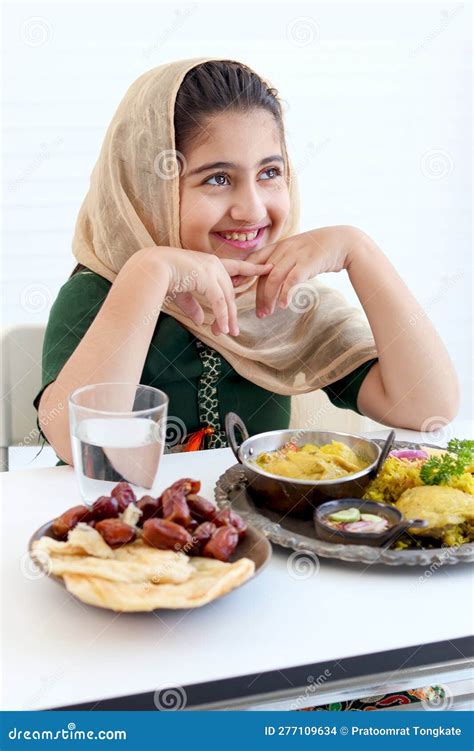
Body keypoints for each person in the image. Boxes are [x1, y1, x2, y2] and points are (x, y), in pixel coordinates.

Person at [33, 56, 458, 711]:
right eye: (215, 178)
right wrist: (147, 273)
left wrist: (358, 249)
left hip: (267, 593)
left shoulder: (282, 299)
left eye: (270, 172)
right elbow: (88, 446)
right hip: (131, 608)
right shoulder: (102, 293)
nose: (252, 207)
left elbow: (428, 409)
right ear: (145, 186)